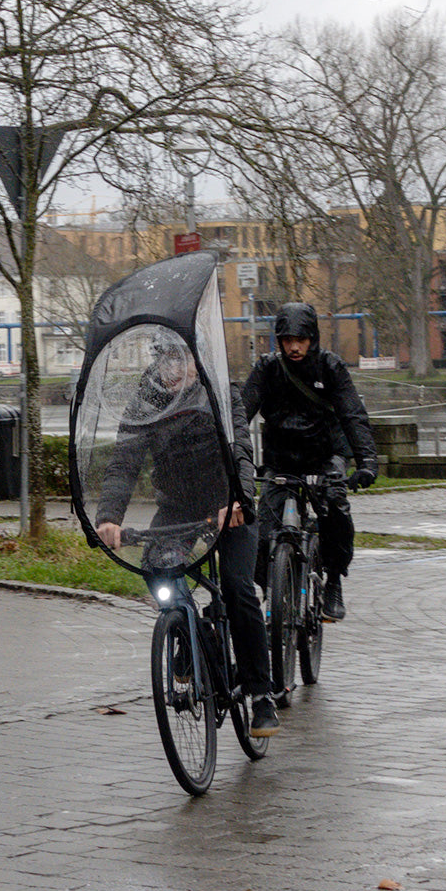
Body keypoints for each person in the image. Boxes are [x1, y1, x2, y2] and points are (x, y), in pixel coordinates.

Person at [94, 340, 280, 737]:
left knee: (236, 586)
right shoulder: (146, 399)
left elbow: (241, 450)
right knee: (157, 567)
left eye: (182, 359)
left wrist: (239, 501)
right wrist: (109, 516)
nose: (174, 369)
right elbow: (124, 460)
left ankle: (261, 694)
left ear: (198, 361)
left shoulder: (220, 390)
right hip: (179, 505)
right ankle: (190, 629)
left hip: (229, 502)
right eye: (166, 360)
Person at [241, 302, 378, 622]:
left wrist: (367, 461)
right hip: (281, 460)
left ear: (312, 338)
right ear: (279, 340)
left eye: (301, 339)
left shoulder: (330, 367)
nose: (294, 346)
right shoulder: (267, 369)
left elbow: (352, 415)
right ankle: (273, 586)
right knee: (261, 531)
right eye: (287, 340)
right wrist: (231, 456)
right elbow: (241, 414)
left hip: (324, 454)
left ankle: (332, 579)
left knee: (334, 505)